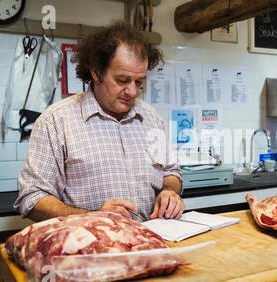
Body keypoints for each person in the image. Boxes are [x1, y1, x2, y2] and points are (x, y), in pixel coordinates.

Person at [14, 21, 184, 222]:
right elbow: (32, 199)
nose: (132, 91)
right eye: (122, 80)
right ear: (96, 73)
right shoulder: (56, 121)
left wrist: (169, 192)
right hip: (90, 246)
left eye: (139, 82)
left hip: (148, 242)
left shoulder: (152, 118)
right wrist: (91, 217)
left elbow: (171, 172)